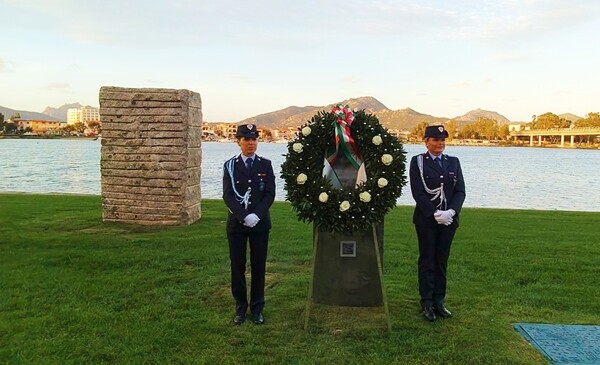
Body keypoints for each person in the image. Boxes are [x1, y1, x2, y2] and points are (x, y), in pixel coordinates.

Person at [409, 125, 466, 322]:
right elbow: (418, 192)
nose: (440, 143)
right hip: (426, 219)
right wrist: (434, 213)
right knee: (427, 260)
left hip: (449, 220)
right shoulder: (418, 162)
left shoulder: (453, 162)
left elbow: (460, 191)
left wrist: (451, 211)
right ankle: (426, 302)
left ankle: (439, 301)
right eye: (435, 139)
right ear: (426, 141)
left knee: (441, 260)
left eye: (443, 139)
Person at [223, 124, 275, 325]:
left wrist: (256, 215)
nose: (251, 143)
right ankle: (240, 308)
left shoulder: (265, 164)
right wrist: (244, 216)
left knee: (259, 266)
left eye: (254, 139)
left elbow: (269, 193)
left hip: (260, 225)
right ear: (239, 142)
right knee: (237, 267)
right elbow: (228, 195)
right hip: (237, 225)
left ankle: (257, 308)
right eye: (247, 139)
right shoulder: (230, 165)